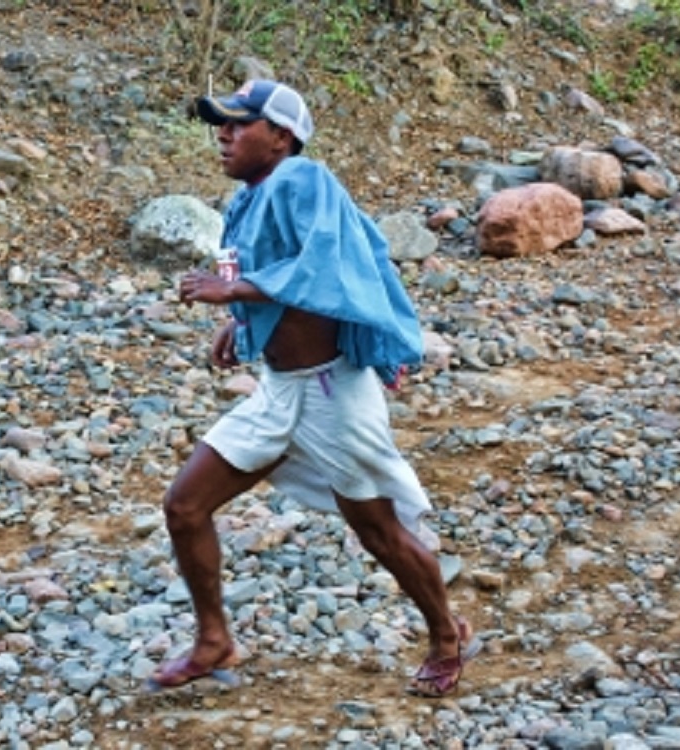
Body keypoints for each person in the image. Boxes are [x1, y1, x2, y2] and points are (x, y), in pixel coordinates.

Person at [149, 79, 478, 698]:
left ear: (282, 136)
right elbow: (283, 282)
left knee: (379, 530)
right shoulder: (247, 202)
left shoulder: (304, 179)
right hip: (280, 389)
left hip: (333, 394)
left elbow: (326, 265)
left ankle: (445, 634)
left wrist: (237, 292)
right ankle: (213, 639)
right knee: (185, 506)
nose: (223, 134)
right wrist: (239, 322)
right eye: (219, 124)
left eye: (238, 124)